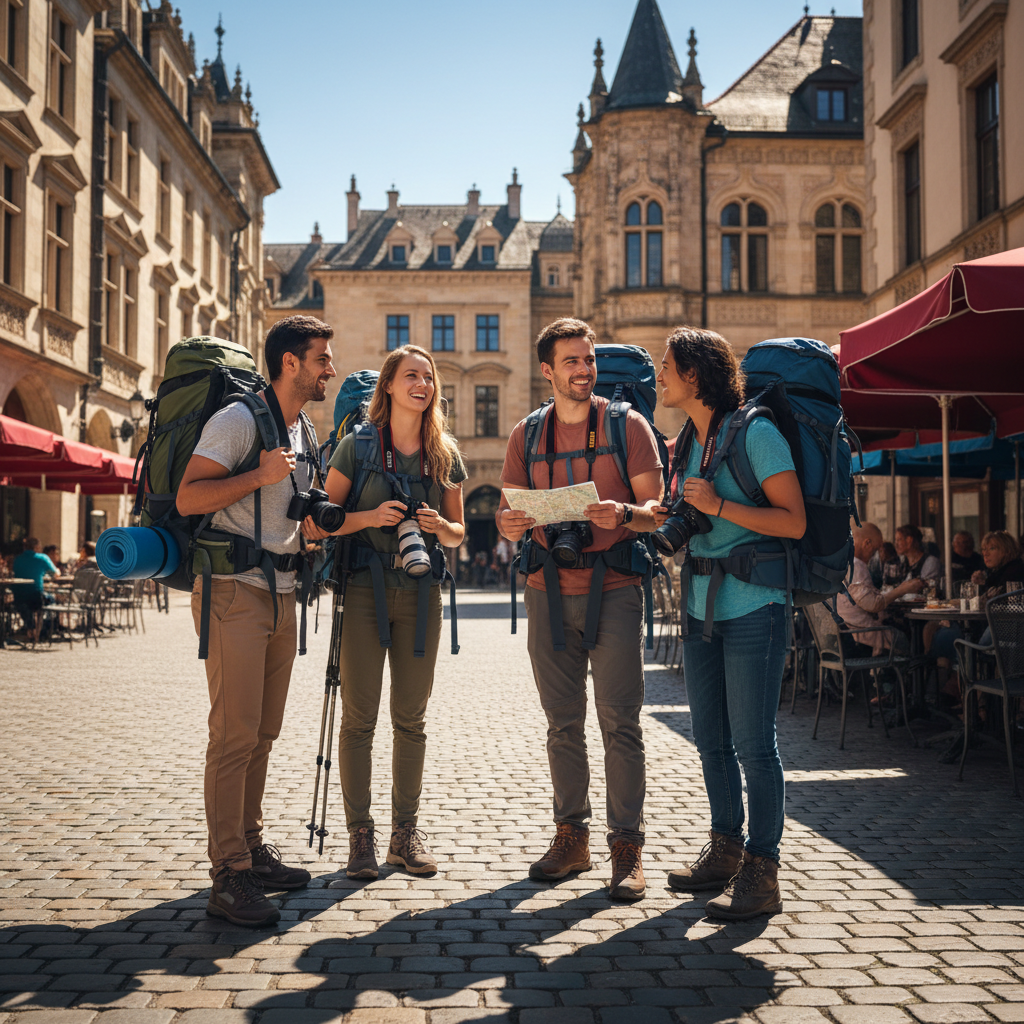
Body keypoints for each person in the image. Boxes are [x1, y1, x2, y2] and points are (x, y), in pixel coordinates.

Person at [176, 314, 337, 927]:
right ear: (290, 362)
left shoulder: (303, 429)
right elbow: (192, 497)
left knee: (263, 733)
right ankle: (227, 873)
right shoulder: (240, 420)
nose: (329, 367)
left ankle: (249, 844)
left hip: (283, 590)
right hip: (232, 591)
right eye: (321, 357)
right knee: (234, 733)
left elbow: (290, 509)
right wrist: (260, 475)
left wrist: (312, 528)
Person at [496, 317, 663, 900]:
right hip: (545, 591)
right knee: (561, 724)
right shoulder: (526, 435)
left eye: (588, 360)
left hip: (614, 589)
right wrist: (509, 520)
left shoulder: (628, 425)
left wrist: (624, 513)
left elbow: (658, 509)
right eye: (570, 361)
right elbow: (507, 508)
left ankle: (627, 849)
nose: (583, 370)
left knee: (621, 723)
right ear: (547, 370)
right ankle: (572, 838)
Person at [654, 326, 805, 921]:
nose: (659, 376)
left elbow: (791, 522)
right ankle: (724, 849)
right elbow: (685, 516)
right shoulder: (689, 440)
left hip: (754, 607)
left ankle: (762, 871)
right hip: (699, 607)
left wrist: (719, 506)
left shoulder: (757, 433)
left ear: (694, 374)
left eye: (666, 366)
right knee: (711, 742)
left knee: (753, 745)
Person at [310, 344, 466, 880]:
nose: (422, 385)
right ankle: (361, 838)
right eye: (411, 376)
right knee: (359, 718)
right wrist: (371, 516)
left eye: (428, 378)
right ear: (390, 388)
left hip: (423, 594)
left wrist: (436, 528)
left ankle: (405, 833)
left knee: (411, 718)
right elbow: (319, 524)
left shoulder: (443, 452)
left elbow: (459, 532)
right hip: (361, 592)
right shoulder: (357, 447)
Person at [839, 523, 922, 656]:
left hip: (842, 637)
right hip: (860, 636)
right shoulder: (855, 565)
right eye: (874, 551)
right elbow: (873, 605)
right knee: (907, 640)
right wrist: (903, 589)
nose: (873, 556)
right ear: (867, 543)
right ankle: (906, 675)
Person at [11, 538, 60, 640]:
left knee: (26, 604)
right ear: (37, 547)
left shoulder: (17, 559)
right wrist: (57, 571)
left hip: (18, 596)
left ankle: (30, 627)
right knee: (51, 600)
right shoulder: (42, 558)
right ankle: (42, 631)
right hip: (35, 596)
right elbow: (56, 574)